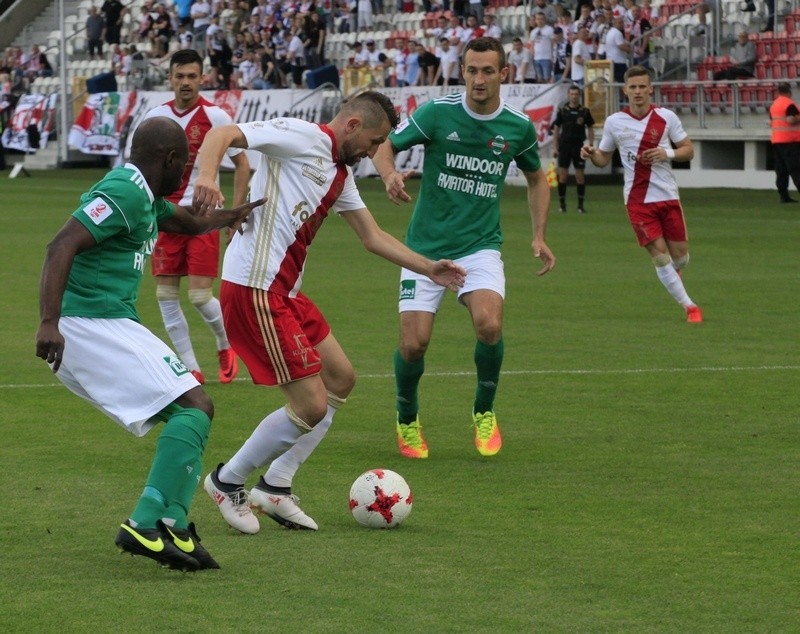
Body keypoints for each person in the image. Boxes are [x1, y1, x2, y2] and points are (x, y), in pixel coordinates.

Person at [192, 92, 466, 533]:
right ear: (353, 124)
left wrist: (428, 267)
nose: (375, 152)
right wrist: (208, 176)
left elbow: (372, 235)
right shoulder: (300, 136)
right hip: (255, 288)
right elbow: (223, 134)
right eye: (375, 142)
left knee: (341, 378)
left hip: (286, 293)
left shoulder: (340, 174)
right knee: (311, 404)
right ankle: (227, 481)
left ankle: (275, 484)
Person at [34, 117, 263, 571]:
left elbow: (191, 222)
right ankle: (144, 522)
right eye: (187, 165)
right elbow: (60, 245)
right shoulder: (124, 190)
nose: (187, 175)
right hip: (88, 324)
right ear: (171, 160)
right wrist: (48, 323)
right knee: (195, 404)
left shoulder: (147, 197)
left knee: (196, 408)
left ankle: (173, 524)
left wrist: (229, 217)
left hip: (111, 323)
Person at [371, 37, 556, 460]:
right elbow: (384, 143)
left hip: (480, 246)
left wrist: (539, 234)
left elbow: (536, 178)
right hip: (424, 249)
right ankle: (407, 416)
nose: (477, 79)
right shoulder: (437, 113)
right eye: (471, 70)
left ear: (503, 74)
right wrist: (388, 175)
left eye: (487, 71)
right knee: (414, 344)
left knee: (489, 325)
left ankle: (484, 411)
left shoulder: (517, 127)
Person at [143, 49, 251, 385]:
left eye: (192, 76)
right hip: (164, 216)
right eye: (180, 76)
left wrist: (233, 214)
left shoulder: (217, 117)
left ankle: (224, 344)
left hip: (204, 216)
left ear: (202, 78)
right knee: (165, 296)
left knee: (200, 296)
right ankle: (191, 368)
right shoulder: (154, 118)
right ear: (170, 78)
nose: (186, 82)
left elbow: (244, 164)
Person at [580, 66, 704, 323]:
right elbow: (604, 158)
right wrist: (593, 155)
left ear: (650, 89)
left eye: (641, 87)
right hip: (637, 201)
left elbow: (688, 150)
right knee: (660, 257)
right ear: (625, 90)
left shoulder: (666, 117)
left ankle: (675, 276)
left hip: (667, 196)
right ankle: (690, 307)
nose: (637, 92)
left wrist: (666, 153)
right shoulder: (615, 122)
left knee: (681, 258)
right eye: (632, 87)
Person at [551, 85, 595, 213]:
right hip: (565, 145)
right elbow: (556, 129)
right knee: (563, 175)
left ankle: (580, 206)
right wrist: (555, 146)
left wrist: (591, 144)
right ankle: (562, 205)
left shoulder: (584, 111)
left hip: (579, 146)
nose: (574, 96)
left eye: (576, 94)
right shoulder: (563, 110)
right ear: (568, 95)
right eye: (572, 94)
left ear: (579, 96)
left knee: (580, 176)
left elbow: (591, 127)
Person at [768, 82, 800, 204]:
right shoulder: (789, 104)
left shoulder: (774, 105)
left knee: (781, 170)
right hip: (790, 141)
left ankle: (783, 196)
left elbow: (772, 122)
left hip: (776, 140)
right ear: (789, 92)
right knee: (796, 168)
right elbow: (791, 120)